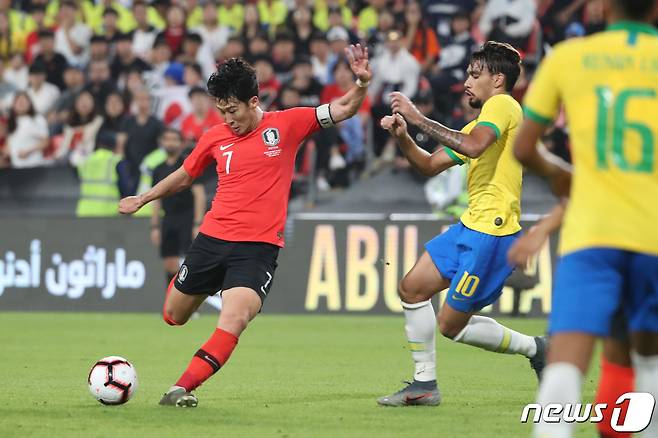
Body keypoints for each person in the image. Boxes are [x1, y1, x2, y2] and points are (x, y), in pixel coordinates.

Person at [118, 46, 372, 407]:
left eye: (233, 110)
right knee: (173, 316)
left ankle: (180, 389)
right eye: (221, 110)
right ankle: (205, 283)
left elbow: (345, 107)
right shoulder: (214, 137)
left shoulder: (287, 124)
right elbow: (184, 176)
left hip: (257, 250)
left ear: (254, 101)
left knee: (235, 317)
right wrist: (144, 198)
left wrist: (361, 82)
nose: (227, 118)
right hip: (211, 240)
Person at [512, 0, 658, 436]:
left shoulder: (570, 57)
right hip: (652, 237)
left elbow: (524, 148)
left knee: (564, 368)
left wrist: (563, 173)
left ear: (602, 7)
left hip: (592, 234)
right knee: (646, 361)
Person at [377, 41, 546, 407]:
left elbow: (472, 147)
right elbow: (428, 165)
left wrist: (418, 117)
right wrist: (405, 136)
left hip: (492, 233)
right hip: (471, 226)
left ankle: (536, 348)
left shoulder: (502, 105)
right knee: (412, 288)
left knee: (450, 326)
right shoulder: (479, 124)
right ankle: (423, 385)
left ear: (497, 79)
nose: (467, 82)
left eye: (475, 74)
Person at [507, 203, 635, 438]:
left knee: (566, 357)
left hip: (590, 246)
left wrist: (543, 230)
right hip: (642, 241)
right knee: (634, 358)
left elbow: (571, 184)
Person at [150, 128, 206, 285]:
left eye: (174, 139)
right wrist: (155, 226)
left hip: (187, 216)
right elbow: (155, 198)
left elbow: (199, 194)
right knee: (169, 263)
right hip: (168, 218)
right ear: (162, 142)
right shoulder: (158, 169)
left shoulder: (188, 165)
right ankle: (171, 307)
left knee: (189, 263)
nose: (170, 143)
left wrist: (197, 222)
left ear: (181, 143)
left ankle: (189, 306)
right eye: (167, 139)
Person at [76, 132, 122, 217]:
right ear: (114, 145)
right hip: (107, 211)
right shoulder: (115, 160)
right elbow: (125, 186)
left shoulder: (87, 160)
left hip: (84, 211)